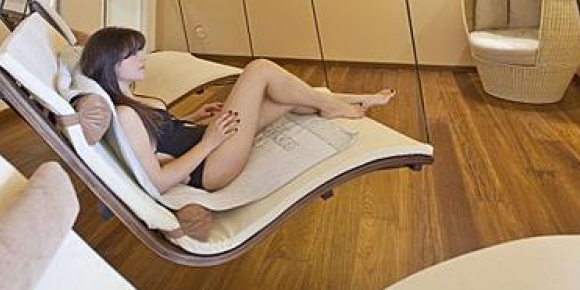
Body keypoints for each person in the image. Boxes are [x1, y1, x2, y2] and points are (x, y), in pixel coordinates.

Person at [73, 27, 394, 194]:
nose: (142, 58)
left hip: (209, 139)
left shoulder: (135, 101)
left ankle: (345, 100)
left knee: (283, 97)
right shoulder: (125, 115)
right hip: (211, 164)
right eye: (131, 55)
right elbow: (157, 181)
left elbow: (163, 137)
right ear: (110, 64)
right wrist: (210, 141)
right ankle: (336, 105)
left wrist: (193, 119)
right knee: (259, 70)